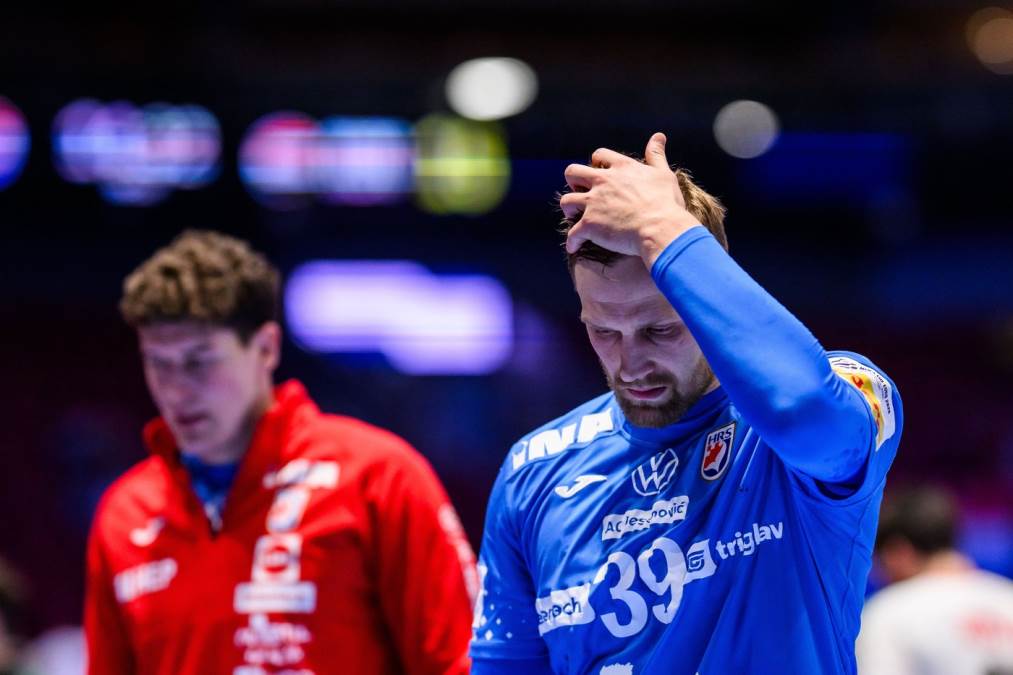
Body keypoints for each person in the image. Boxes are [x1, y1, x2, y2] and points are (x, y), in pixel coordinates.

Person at [469, 133, 904, 674]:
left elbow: (801, 410)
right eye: (604, 331)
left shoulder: (843, 391)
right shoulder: (532, 470)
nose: (630, 364)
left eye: (660, 329)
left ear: (702, 292)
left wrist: (663, 227)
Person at [84, 230, 477, 675]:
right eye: (159, 364)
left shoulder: (378, 477)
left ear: (266, 347)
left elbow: (460, 663)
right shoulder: (124, 515)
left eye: (199, 362)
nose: (176, 391)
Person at [856, 487, 1013, 675]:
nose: (878, 574)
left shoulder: (887, 613)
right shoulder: (1008, 597)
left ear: (897, 552)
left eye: (879, 561)